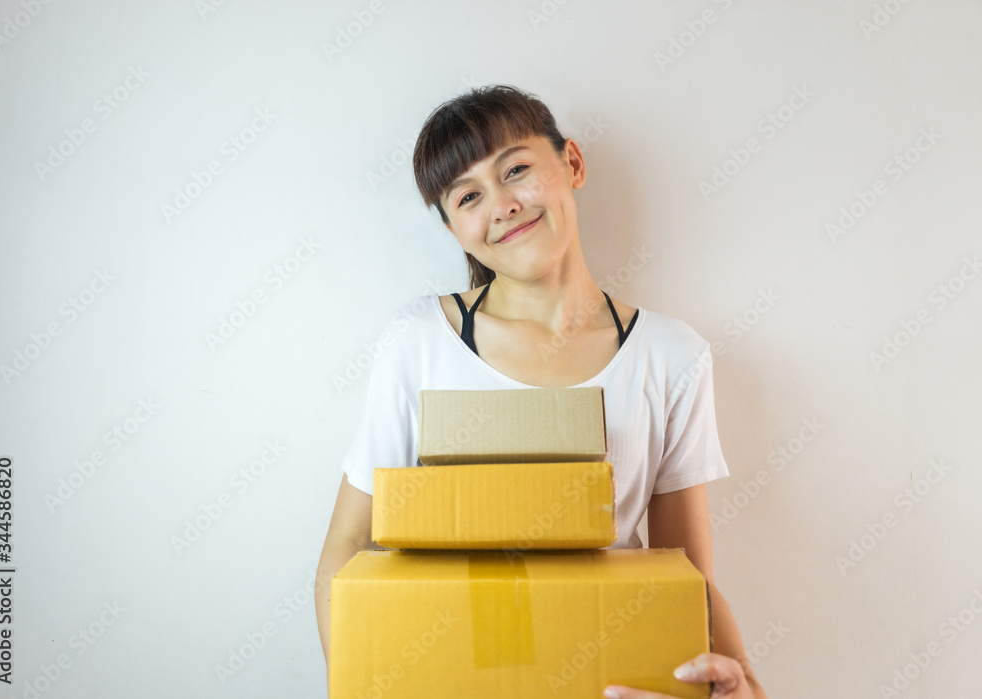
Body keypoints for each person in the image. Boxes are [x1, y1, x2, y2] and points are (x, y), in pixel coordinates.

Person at [316, 84, 768, 699]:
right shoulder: (418, 342)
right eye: (469, 196)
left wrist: (749, 686)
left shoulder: (670, 356)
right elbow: (346, 548)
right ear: (453, 228)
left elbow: (685, 577)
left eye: (516, 170)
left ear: (572, 163)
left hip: (608, 673)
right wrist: (358, 684)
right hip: (449, 676)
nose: (503, 205)